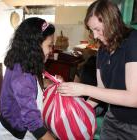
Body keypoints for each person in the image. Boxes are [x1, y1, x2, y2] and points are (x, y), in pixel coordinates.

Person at [57, 0, 137, 139]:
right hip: (112, 118)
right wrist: (78, 112)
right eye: (91, 30)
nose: (94, 36)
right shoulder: (102, 50)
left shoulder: (133, 41)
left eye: (97, 29)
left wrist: (84, 89)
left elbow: (133, 98)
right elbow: (102, 88)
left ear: (112, 22)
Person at [0, 17, 56, 140]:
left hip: (16, 125)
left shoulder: (23, 60)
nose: (51, 51)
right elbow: (33, 123)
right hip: (13, 135)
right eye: (49, 46)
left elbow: (30, 87)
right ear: (35, 45)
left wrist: (48, 82)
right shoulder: (22, 75)